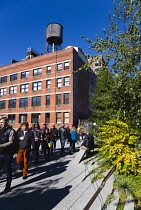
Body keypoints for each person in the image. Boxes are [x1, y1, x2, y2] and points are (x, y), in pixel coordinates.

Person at [0, 117, 17, 193]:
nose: (0, 123)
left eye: (2, 122)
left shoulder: (11, 131)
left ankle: (8, 187)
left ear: (6, 122)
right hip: (0, 153)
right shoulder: (0, 130)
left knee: (8, 171)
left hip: (7, 154)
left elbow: (11, 142)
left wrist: (1, 145)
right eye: (0, 122)